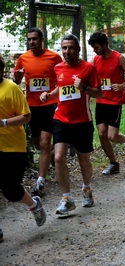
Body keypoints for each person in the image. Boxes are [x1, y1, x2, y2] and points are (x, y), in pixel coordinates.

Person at [40, 34, 102, 215]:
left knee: (84, 159)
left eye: (71, 48)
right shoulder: (58, 67)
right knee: (58, 157)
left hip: (82, 121)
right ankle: (66, 198)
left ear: (78, 49)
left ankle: (87, 189)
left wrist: (84, 87)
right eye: (64, 48)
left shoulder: (88, 68)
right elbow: (61, 87)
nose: (67, 51)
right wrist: (49, 95)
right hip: (61, 119)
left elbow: (99, 94)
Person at [13, 27, 63, 197]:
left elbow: (62, 79)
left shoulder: (54, 57)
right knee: (38, 144)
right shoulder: (23, 58)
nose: (32, 42)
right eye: (29, 39)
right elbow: (16, 79)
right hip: (31, 106)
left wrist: (51, 94)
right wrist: (18, 76)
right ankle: (53, 155)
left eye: (35, 39)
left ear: (42, 39)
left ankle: (40, 181)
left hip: (50, 104)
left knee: (44, 142)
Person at [0, 55, 47, 229]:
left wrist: (3, 123)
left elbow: (27, 116)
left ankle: (34, 205)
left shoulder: (11, 88)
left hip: (13, 147)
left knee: (10, 190)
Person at [88, 31, 125, 175]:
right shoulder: (96, 60)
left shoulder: (118, 58)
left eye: (96, 47)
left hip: (115, 102)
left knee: (112, 136)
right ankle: (114, 163)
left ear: (104, 44)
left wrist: (122, 85)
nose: (95, 51)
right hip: (101, 101)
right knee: (102, 134)